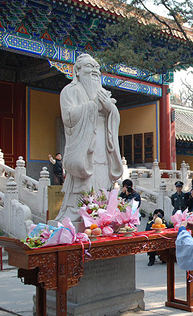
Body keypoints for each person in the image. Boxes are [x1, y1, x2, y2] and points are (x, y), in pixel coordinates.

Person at [56, 53, 123, 221]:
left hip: (102, 143)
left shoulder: (103, 93)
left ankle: (102, 211)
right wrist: (93, 106)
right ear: (77, 71)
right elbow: (68, 117)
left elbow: (114, 116)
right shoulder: (70, 91)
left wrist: (110, 109)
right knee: (85, 183)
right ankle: (82, 212)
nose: (94, 71)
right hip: (85, 147)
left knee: (102, 177)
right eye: (89, 66)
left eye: (97, 68)